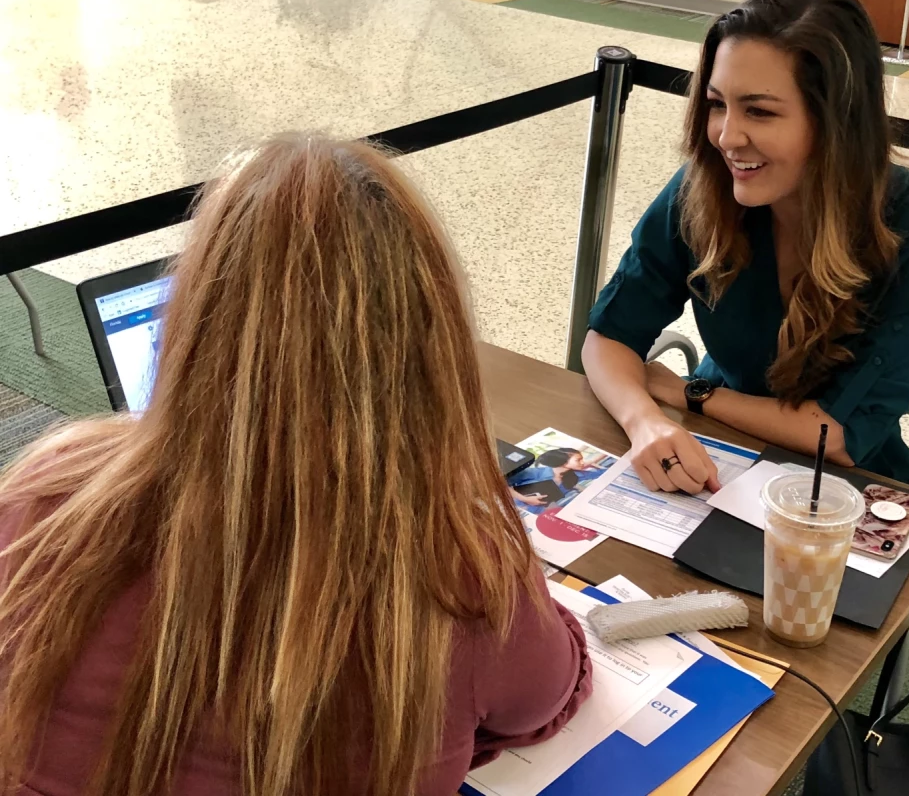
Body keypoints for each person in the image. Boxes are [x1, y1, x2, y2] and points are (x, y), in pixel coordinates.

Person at [0, 136, 591, 796]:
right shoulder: (460, 581)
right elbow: (549, 694)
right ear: (432, 350)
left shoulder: (44, 492)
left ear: (192, 315)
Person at [583, 0, 909, 494]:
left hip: (843, 487)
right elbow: (609, 336)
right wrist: (644, 421)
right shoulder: (704, 188)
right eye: (718, 104)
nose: (726, 136)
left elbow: (838, 436)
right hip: (717, 450)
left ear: (837, 122)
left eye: (760, 111)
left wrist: (690, 394)